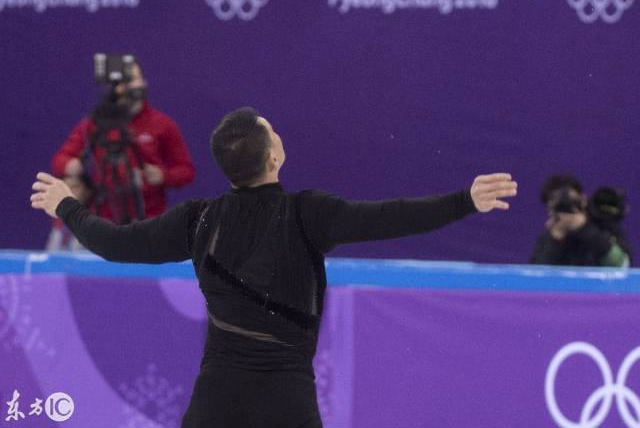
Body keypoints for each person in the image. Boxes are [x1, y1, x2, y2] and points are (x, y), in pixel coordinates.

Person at [31, 107, 518, 428]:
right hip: (286, 398)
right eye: (274, 130)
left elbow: (115, 244)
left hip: (216, 399)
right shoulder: (309, 213)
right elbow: (391, 218)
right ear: (274, 154)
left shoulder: (198, 220)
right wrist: (465, 201)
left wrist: (68, 207)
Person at [52, 58, 195, 225]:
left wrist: (162, 176)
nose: (129, 86)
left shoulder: (162, 124)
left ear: (143, 82)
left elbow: (186, 171)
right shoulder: (95, 123)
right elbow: (59, 160)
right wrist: (71, 165)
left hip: (148, 219)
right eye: (123, 81)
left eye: (134, 79)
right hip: (101, 218)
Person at [530, 174, 628, 266]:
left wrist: (585, 228)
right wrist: (556, 238)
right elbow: (536, 275)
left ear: (583, 199)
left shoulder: (604, 225)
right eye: (560, 205)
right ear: (550, 209)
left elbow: (622, 264)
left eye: (570, 202)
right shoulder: (550, 235)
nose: (566, 208)